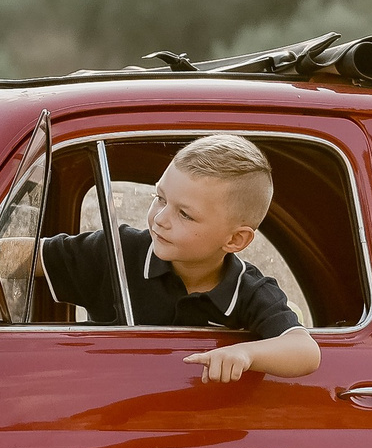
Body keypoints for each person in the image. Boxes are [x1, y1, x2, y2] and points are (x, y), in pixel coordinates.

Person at [18, 134, 320, 385]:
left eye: (184, 214)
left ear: (235, 240)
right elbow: (26, 256)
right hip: (103, 406)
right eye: (160, 198)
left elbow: (305, 351)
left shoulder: (249, 290)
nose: (160, 219)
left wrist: (246, 354)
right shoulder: (120, 251)